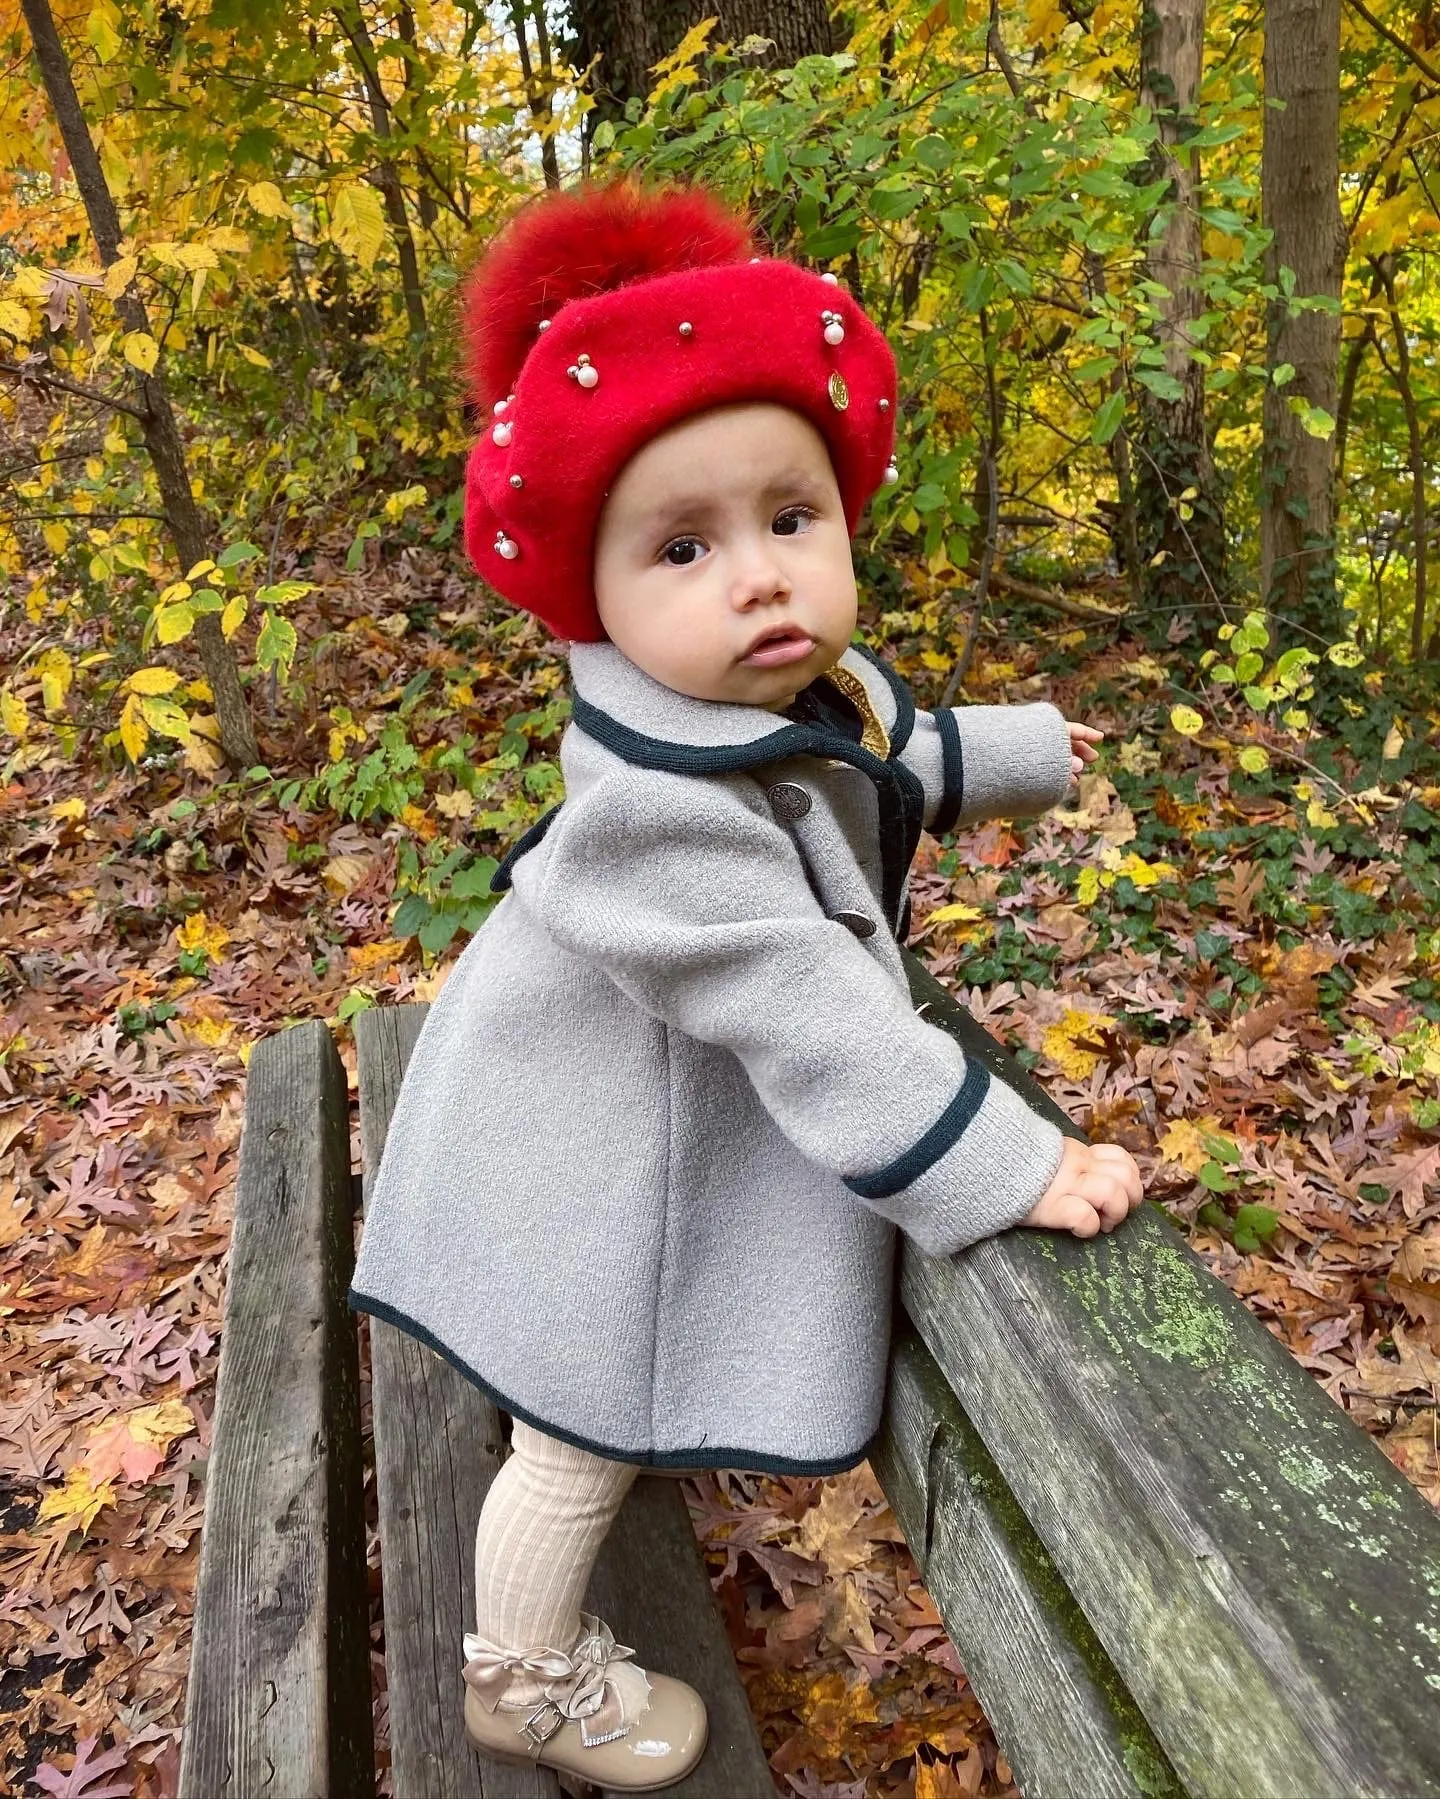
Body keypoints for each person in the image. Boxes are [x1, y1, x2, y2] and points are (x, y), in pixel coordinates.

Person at [348, 180, 1144, 1790]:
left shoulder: (774, 693)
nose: (761, 578)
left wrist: (1024, 752)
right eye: (687, 545)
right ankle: (520, 1673)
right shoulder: (655, 816)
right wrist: (1013, 1162)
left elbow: (867, 759)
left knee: (583, 1405)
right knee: (579, 1427)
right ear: (598, 593)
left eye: (792, 518)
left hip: (614, 1114)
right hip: (589, 1170)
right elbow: (813, 1013)